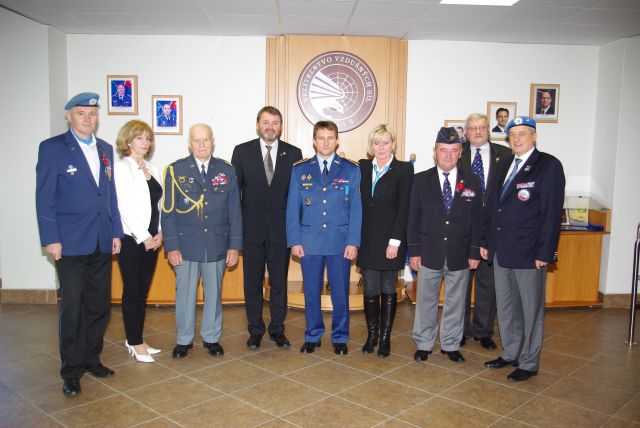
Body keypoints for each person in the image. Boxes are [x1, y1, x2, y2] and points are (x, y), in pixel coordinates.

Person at [36, 92, 123, 396]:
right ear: (68, 116)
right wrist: (51, 238)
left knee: (99, 305)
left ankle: (91, 359)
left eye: (92, 113)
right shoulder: (52, 148)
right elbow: (44, 197)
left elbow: (109, 195)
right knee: (73, 307)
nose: (88, 118)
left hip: (101, 239)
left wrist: (115, 232)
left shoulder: (104, 149)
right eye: (81, 113)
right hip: (70, 243)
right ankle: (71, 370)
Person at [481, 116, 565, 382]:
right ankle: (511, 352)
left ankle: (529, 362)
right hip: (501, 250)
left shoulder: (548, 165)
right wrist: (487, 242)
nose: (517, 139)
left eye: (523, 133)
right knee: (506, 307)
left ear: (534, 136)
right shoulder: (504, 163)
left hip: (530, 253)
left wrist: (546, 253)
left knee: (530, 311)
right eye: (513, 134)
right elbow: (493, 207)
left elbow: (551, 214)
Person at [161, 123, 242, 359]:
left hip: (216, 243)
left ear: (213, 141)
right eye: (197, 140)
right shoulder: (175, 170)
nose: (202, 144)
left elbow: (234, 211)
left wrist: (234, 246)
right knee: (185, 295)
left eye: (206, 139)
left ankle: (211, 337)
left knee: (214, 294)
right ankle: (184, 339)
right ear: (190, 144)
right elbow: (168, 213)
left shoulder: (226, 170)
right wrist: (172, 246)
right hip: (186, 245)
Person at [286, 120, 362, 355]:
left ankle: (340, 337)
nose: (326, 142)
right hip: (309, 242)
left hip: (340, 242)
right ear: (314, 141)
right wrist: (294, 240)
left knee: (340, 293)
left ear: (337, 140)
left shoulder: (351, 169)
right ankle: (313, 334)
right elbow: (292, 208)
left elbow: (356, 209)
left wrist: (353, 241)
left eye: (330, 138)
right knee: (311, 292)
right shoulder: (300, 169)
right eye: (321, 138)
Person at [407, 127, 482, 364]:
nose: (448, 155)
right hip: (428, 252)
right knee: (426, 300)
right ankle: (424, 343)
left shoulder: (472, 181)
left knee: (456, 302)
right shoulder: (420, 180)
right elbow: (412, 218)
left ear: (460, 153)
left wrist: (474, 251)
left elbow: (477, 220)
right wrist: (414, 250)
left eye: (453, 150)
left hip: (460, 252)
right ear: (435, 151)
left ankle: (450, 344)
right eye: (443, 150)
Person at [231, 107, 302, 349]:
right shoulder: (242, 152)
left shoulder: (294, 154)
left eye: (275, 123)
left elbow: (296, 198)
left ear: (280, 126)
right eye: (266, 122)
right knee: (252, 284)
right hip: (251, 231)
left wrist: (296, 232)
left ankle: (277, 329)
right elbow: (234, 196)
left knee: (279, 284)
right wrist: (236, 234)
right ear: (257, 125)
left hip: (281, 232)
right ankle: (255, 330)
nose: (270, 127)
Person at [357, 124, 413, 358]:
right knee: (370, 288)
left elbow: (404, 209)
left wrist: (395, 241)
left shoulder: (403, 170)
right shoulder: (362, 167)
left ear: (394, 145)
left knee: (388, 288)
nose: (381, 147)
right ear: (371, 145)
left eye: (386, 143)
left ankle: (385, 339)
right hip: (368, 240)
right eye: (376, 143)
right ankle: (372, 336)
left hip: (391, 240)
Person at [459, 113, 511, 350]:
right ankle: (460, 329)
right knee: (461, 283)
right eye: (472, 128)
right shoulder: (457, 153)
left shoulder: (505, 155)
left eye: (481, 127)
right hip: (463, 228)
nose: (477, 132)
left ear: (488, 130)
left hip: (492, 228)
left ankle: (483, 331)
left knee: (487, 284)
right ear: (466, 132)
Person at [114, 120, 163, 363]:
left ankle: (138, 339)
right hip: (133, 240)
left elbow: (159, 205)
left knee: (142, 291)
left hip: (153, 238)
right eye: (139, 138)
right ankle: (133, 342)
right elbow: (123, 207)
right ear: (128, 141)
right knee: (132, 290)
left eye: (148, 138)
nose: (145, 143)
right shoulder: (121, 168)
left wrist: (160, 232)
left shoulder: (152, 167)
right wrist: (144, 236)